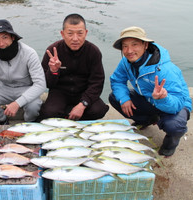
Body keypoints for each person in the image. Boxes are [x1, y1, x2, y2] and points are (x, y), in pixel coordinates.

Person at [109, 26, 191, 157]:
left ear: (145, 45)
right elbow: (117, 80)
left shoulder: (165, 69)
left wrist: (163, 98)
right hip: (149, 99)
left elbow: (178, 102)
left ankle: (170, 145)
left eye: (134, 45)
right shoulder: (126, 62)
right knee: (115, 97)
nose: (129, 51)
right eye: (125, 46)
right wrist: (124, 99)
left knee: (175, 126)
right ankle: (147, 119)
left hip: (175, 104)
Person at [38, 13, 109, 121]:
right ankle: (68, 117)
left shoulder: (93, 51)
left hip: (83, 91)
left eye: (80, 33)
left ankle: (73, 116)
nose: (75, 39)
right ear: (62, 34)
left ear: (86, 33)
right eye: (70, 33)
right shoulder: (53, 50)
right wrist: (53, 71)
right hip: (59, 92)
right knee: (49, 112)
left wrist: (83, 104)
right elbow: (46, 84)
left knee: (99, 110)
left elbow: (97, 82)